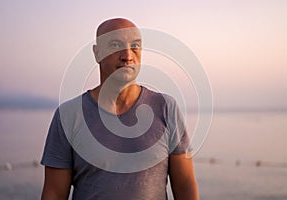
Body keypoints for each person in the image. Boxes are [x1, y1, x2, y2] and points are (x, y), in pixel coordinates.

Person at [40, 18, 199, 200]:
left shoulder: (166, 108)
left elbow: (185, 185)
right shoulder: (69, 115)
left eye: (135, 46)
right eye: (115, 45)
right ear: (97, 52)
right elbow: (54, 193)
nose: (127, 55)